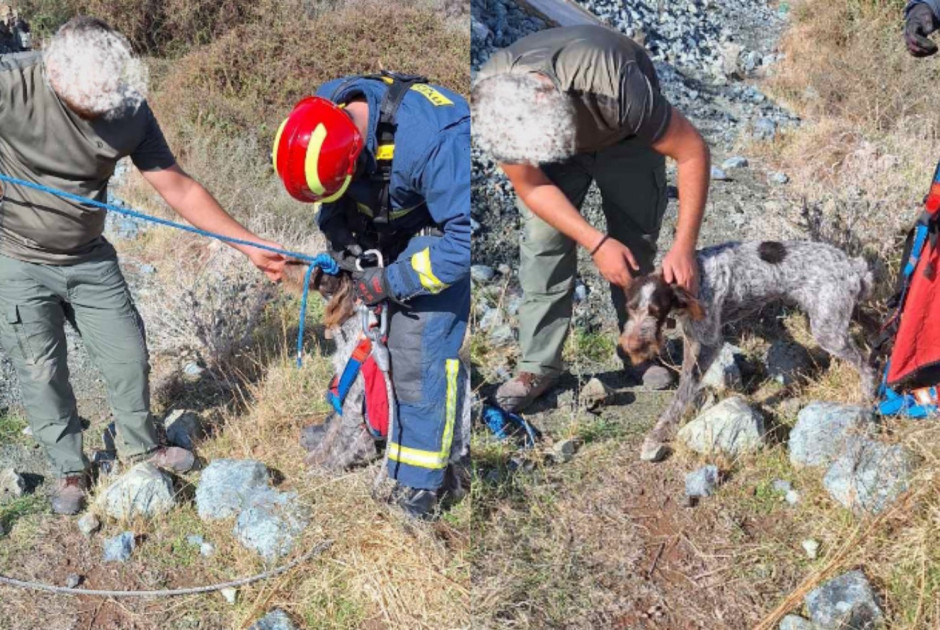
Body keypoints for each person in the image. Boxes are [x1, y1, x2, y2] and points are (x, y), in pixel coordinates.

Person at [0, 17, 288, 515]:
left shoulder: (128, 108)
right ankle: (70, 468)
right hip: (18, 258)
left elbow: (178, 186)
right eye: (83, 105)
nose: (96, 114)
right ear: (52, 71)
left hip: (90, 256)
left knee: (128, 354)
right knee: (40, 370)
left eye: (103, 105)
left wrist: (247, 245)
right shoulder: (11, 82)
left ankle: (140, 445)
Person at [472, 24, 711, 413]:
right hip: (556, 130)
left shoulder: (616, 84)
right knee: (542, 245)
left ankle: (641, 350)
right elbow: (531, 185)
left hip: (626, 136)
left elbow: (692, 152)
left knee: (635, 243)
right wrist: (596, 242)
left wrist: (684, 246)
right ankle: (538, 366)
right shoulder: (494, 103)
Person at [273, 72, 471, 519]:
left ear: (357, 152)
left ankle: (421, 480)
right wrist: (346, 250)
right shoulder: (321, 119)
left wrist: (390, 282)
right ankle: (362, 422)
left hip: (436, 231)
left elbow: (463, 244)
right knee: (357, 328)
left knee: (417, 344)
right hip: (379, 214)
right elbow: (332, 201)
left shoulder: (439, 141)